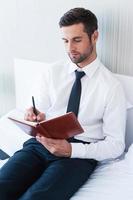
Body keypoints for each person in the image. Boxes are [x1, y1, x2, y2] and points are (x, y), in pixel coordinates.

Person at [0, 7, 126, 200]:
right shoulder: (52, 72)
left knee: (36, 197)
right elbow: (38, 110)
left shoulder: (111, 87)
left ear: (94, 36)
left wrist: (72, 150)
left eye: (76, 40)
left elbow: (116, 145)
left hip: (78, 155)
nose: (69, 48)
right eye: (65, 41)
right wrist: (34, 115)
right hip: (40, 144)